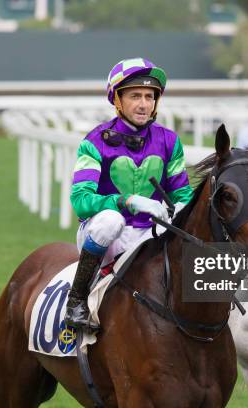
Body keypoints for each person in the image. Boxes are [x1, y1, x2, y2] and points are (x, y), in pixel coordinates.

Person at [65, 57, 194, 330]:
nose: (144, 104)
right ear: (117, 100)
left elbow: (182, 194)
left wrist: (182, 209)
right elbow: (81, 202)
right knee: (110, 219)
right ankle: (76, 299)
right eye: (135, 96)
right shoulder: (94, 142)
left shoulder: (169, 141)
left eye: (150, 96)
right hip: (104, 236)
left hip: (150, 236)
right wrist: (127, 201)